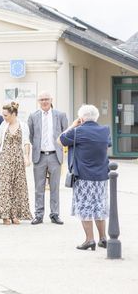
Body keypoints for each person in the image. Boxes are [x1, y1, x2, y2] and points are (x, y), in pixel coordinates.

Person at [58, 105, 111, 251]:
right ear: (96, 117)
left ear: (81, 118)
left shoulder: (77, 131)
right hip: (101, 175)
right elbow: (106, 147)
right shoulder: (105, 130)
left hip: (83, 176)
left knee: (85, 207)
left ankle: (89, 240)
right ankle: (103, 238)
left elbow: (60, 140)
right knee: (99, 205)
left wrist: (73, 125)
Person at [28, 91, 69, 225]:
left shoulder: (60, 115)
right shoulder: (33, 116)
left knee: (54, 187)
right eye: (41, 99)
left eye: (46, 99)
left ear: (51, 100)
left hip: (54, 156)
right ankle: (38, 214)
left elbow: (65, 133)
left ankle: (55, 214)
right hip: (39, 156)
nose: (44, 101)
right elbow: (31, 135)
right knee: (38, 187)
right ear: (38, 101)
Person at [0, 102, 32, 224]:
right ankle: (5, 214)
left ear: (13, 114)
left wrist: (27, 157)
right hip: (4, 158)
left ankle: (15, 214)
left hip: (18, 159)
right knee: (4, 186)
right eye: (3, 115)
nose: (4, 117)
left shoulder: (23, 126)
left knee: (17, 186)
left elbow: (26, 142)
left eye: (6, 115)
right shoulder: (3, 125)